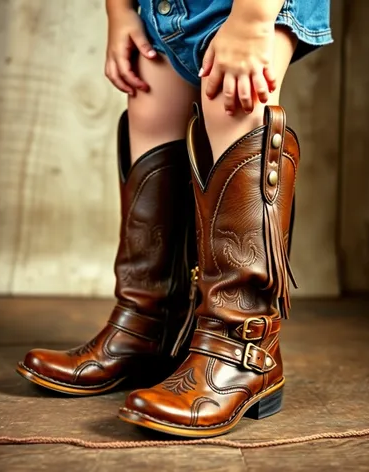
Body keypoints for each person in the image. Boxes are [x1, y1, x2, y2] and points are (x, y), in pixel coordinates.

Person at [17, 0, 332, 437]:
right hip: (161, 8)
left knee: (233, 108)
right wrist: (119, 10)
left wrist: (253, 17)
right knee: (149, 114)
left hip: (244, 6)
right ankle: (146, 323)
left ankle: (240, 346)